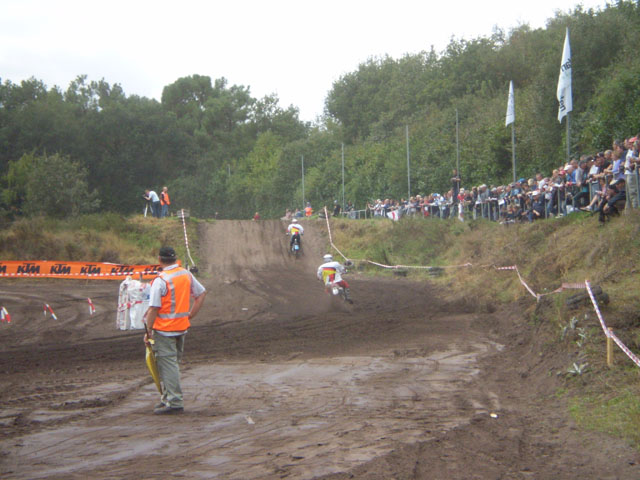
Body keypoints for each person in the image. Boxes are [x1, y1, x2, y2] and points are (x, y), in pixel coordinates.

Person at [143, 246, 207, 414]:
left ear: (159, 259)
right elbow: (201, 294)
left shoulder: (160, 280)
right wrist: (190, 315)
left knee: (168, 366)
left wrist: (148, 331)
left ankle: (174, 402)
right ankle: (167, 398)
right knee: (171, 365)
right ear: (175, 258)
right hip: (181, 328)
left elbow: (154, 308)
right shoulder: (185, 274)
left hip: (164, 330)